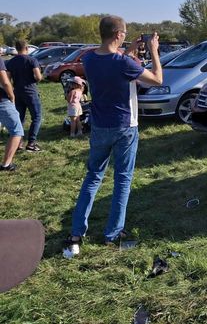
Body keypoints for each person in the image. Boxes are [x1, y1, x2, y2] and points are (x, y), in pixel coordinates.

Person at [63, 16, 163, 258]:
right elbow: (158, 80)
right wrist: (153, 51)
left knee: (93, 178)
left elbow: (110, 61)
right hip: (125, 127)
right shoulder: (122, 63)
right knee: (122, 181)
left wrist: (128, 50)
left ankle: (76, 234)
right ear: (118, 34)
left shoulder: (88, 59)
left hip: (99, 126)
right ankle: (113, 233)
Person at [6, 40, 42, 151]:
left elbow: (7, 78)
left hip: (17, 92)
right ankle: (31, 143)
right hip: (30, 92)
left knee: (20, 118)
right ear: (26, 48)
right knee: (36, 117)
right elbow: (38, 76)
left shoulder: (11, 62)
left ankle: (19, 143)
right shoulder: (32, 60)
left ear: (16, 49)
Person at [0, 58, 23, 171]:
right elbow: (5, 81)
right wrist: (12, 95)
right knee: (16, 130)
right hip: (1, 100)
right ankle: (6, 164)